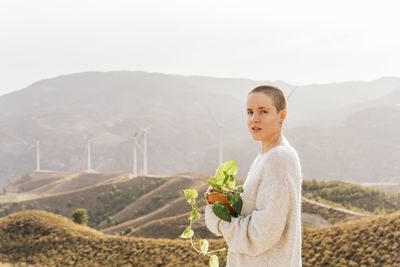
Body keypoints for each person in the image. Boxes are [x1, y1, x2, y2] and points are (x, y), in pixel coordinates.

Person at [204, 85, 302, 267]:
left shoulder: (279, 158)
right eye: (249, 112)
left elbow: (261, 234)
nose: (254, 119)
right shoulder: (265, 157)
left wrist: (219, 220)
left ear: (282, 116)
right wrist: (225, 202)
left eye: (263, 112)